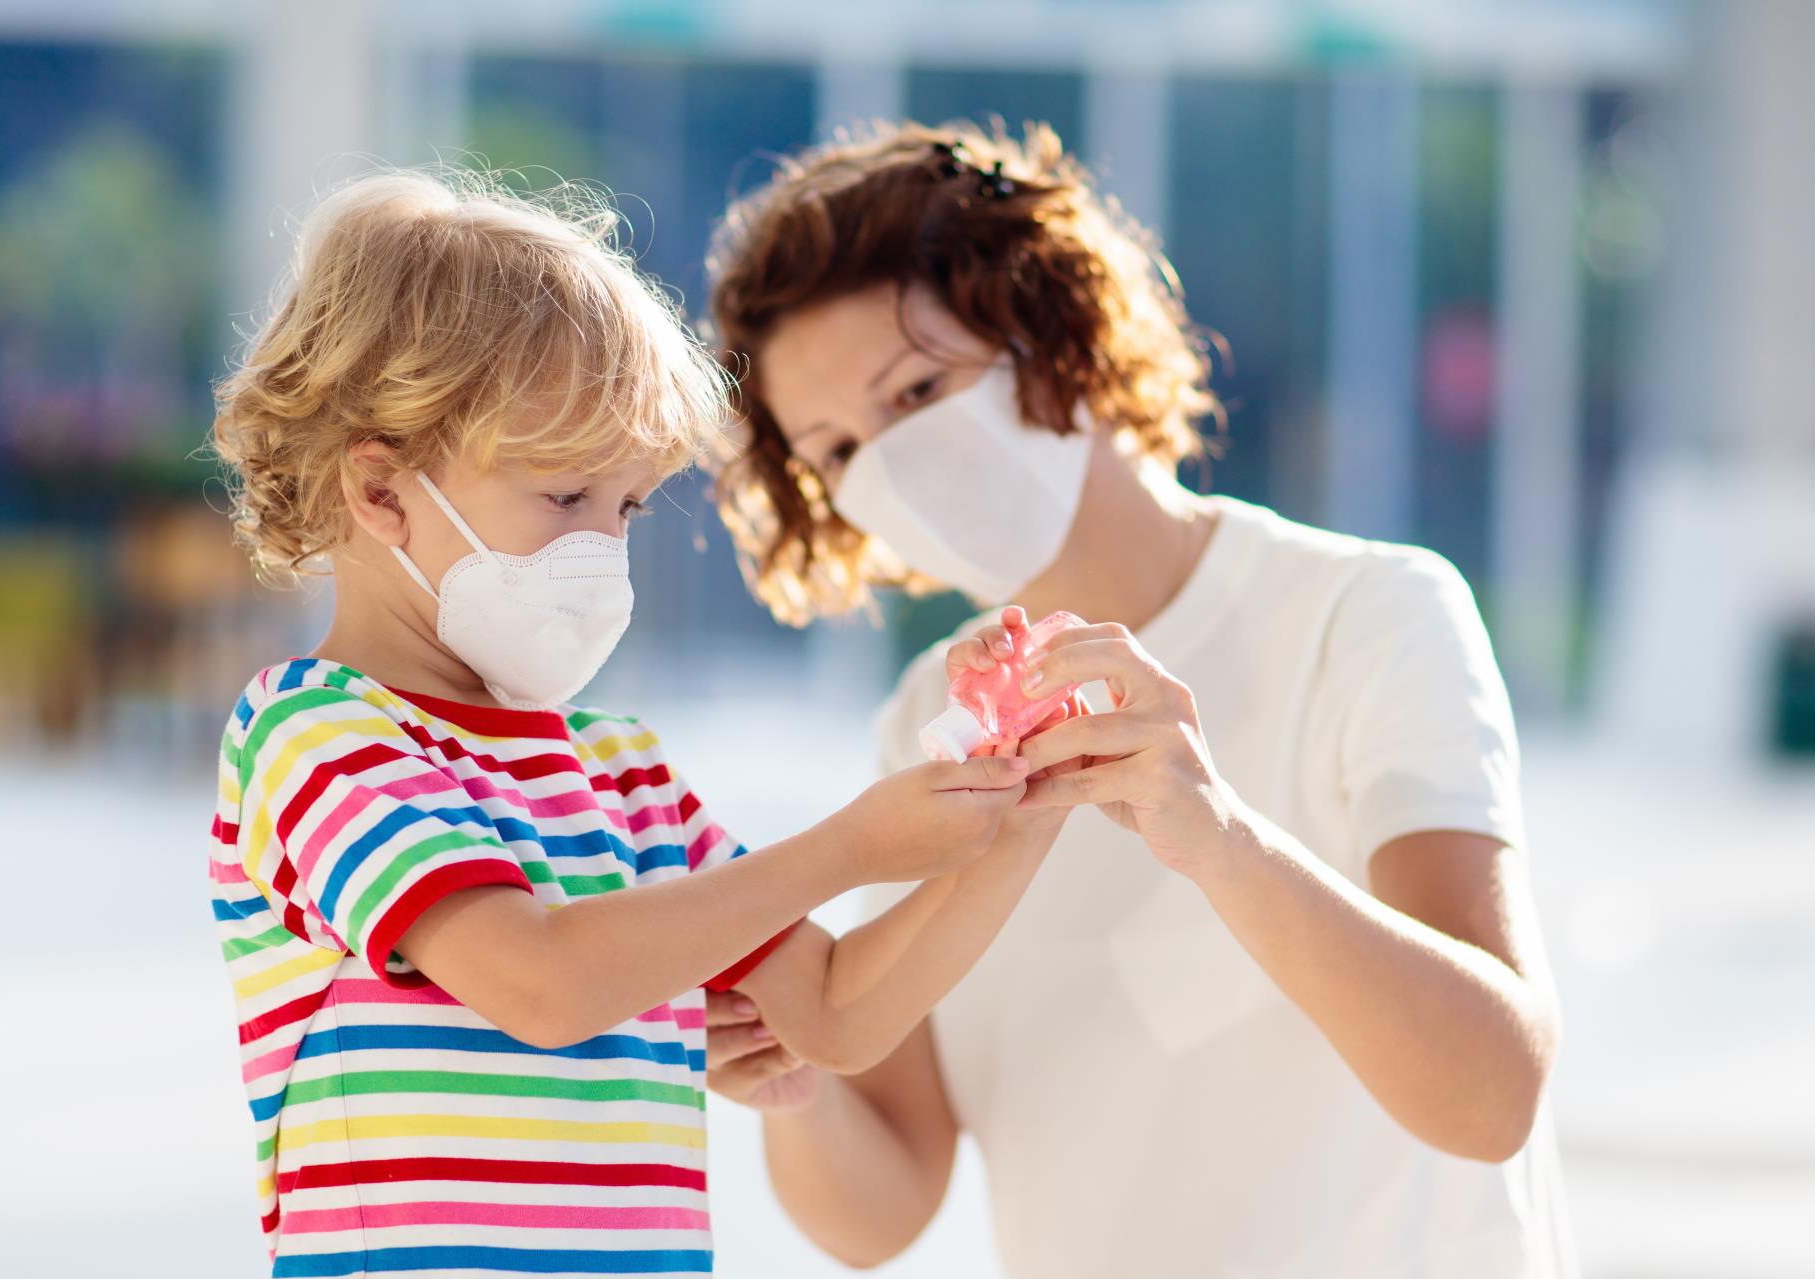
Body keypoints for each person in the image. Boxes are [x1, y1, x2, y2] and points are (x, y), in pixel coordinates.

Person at [701, 121, 1578, 1276]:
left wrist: (1220, 840)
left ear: (1051, 326)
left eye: (917, 389)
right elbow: (883, 1208)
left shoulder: (1365, 614)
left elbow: (1490, 1093)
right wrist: (794, 1078)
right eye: (840, 452)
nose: (890, 468)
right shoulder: (929, 714)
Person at [205, 168, 1083, 1279]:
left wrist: (1025, 804)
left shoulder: (620, 772)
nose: (602, 550)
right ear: (381, 495)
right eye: (564, 497)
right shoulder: (314, 731)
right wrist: (853, 845)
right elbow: (541, 982)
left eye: (623, 507)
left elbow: (831, 1012)